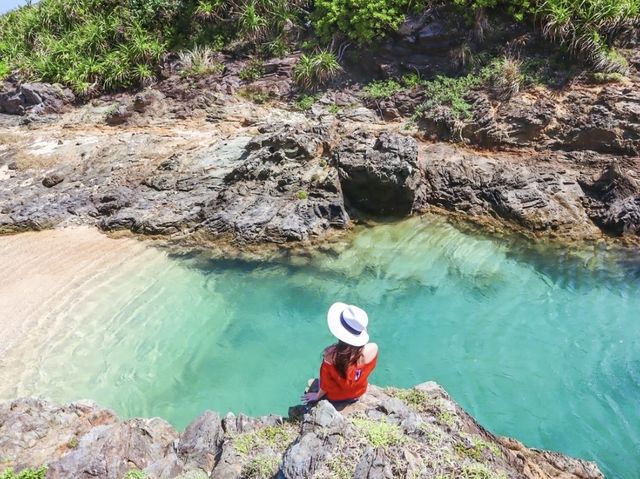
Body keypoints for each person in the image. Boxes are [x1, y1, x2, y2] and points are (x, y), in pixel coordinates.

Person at [301, 302, 378, 406]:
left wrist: (317, 396)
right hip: (358, 392)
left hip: (335, 397)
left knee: (318, 381)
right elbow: (366, 370)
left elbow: (326, 384)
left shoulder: (330, 355)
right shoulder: (372, 349)